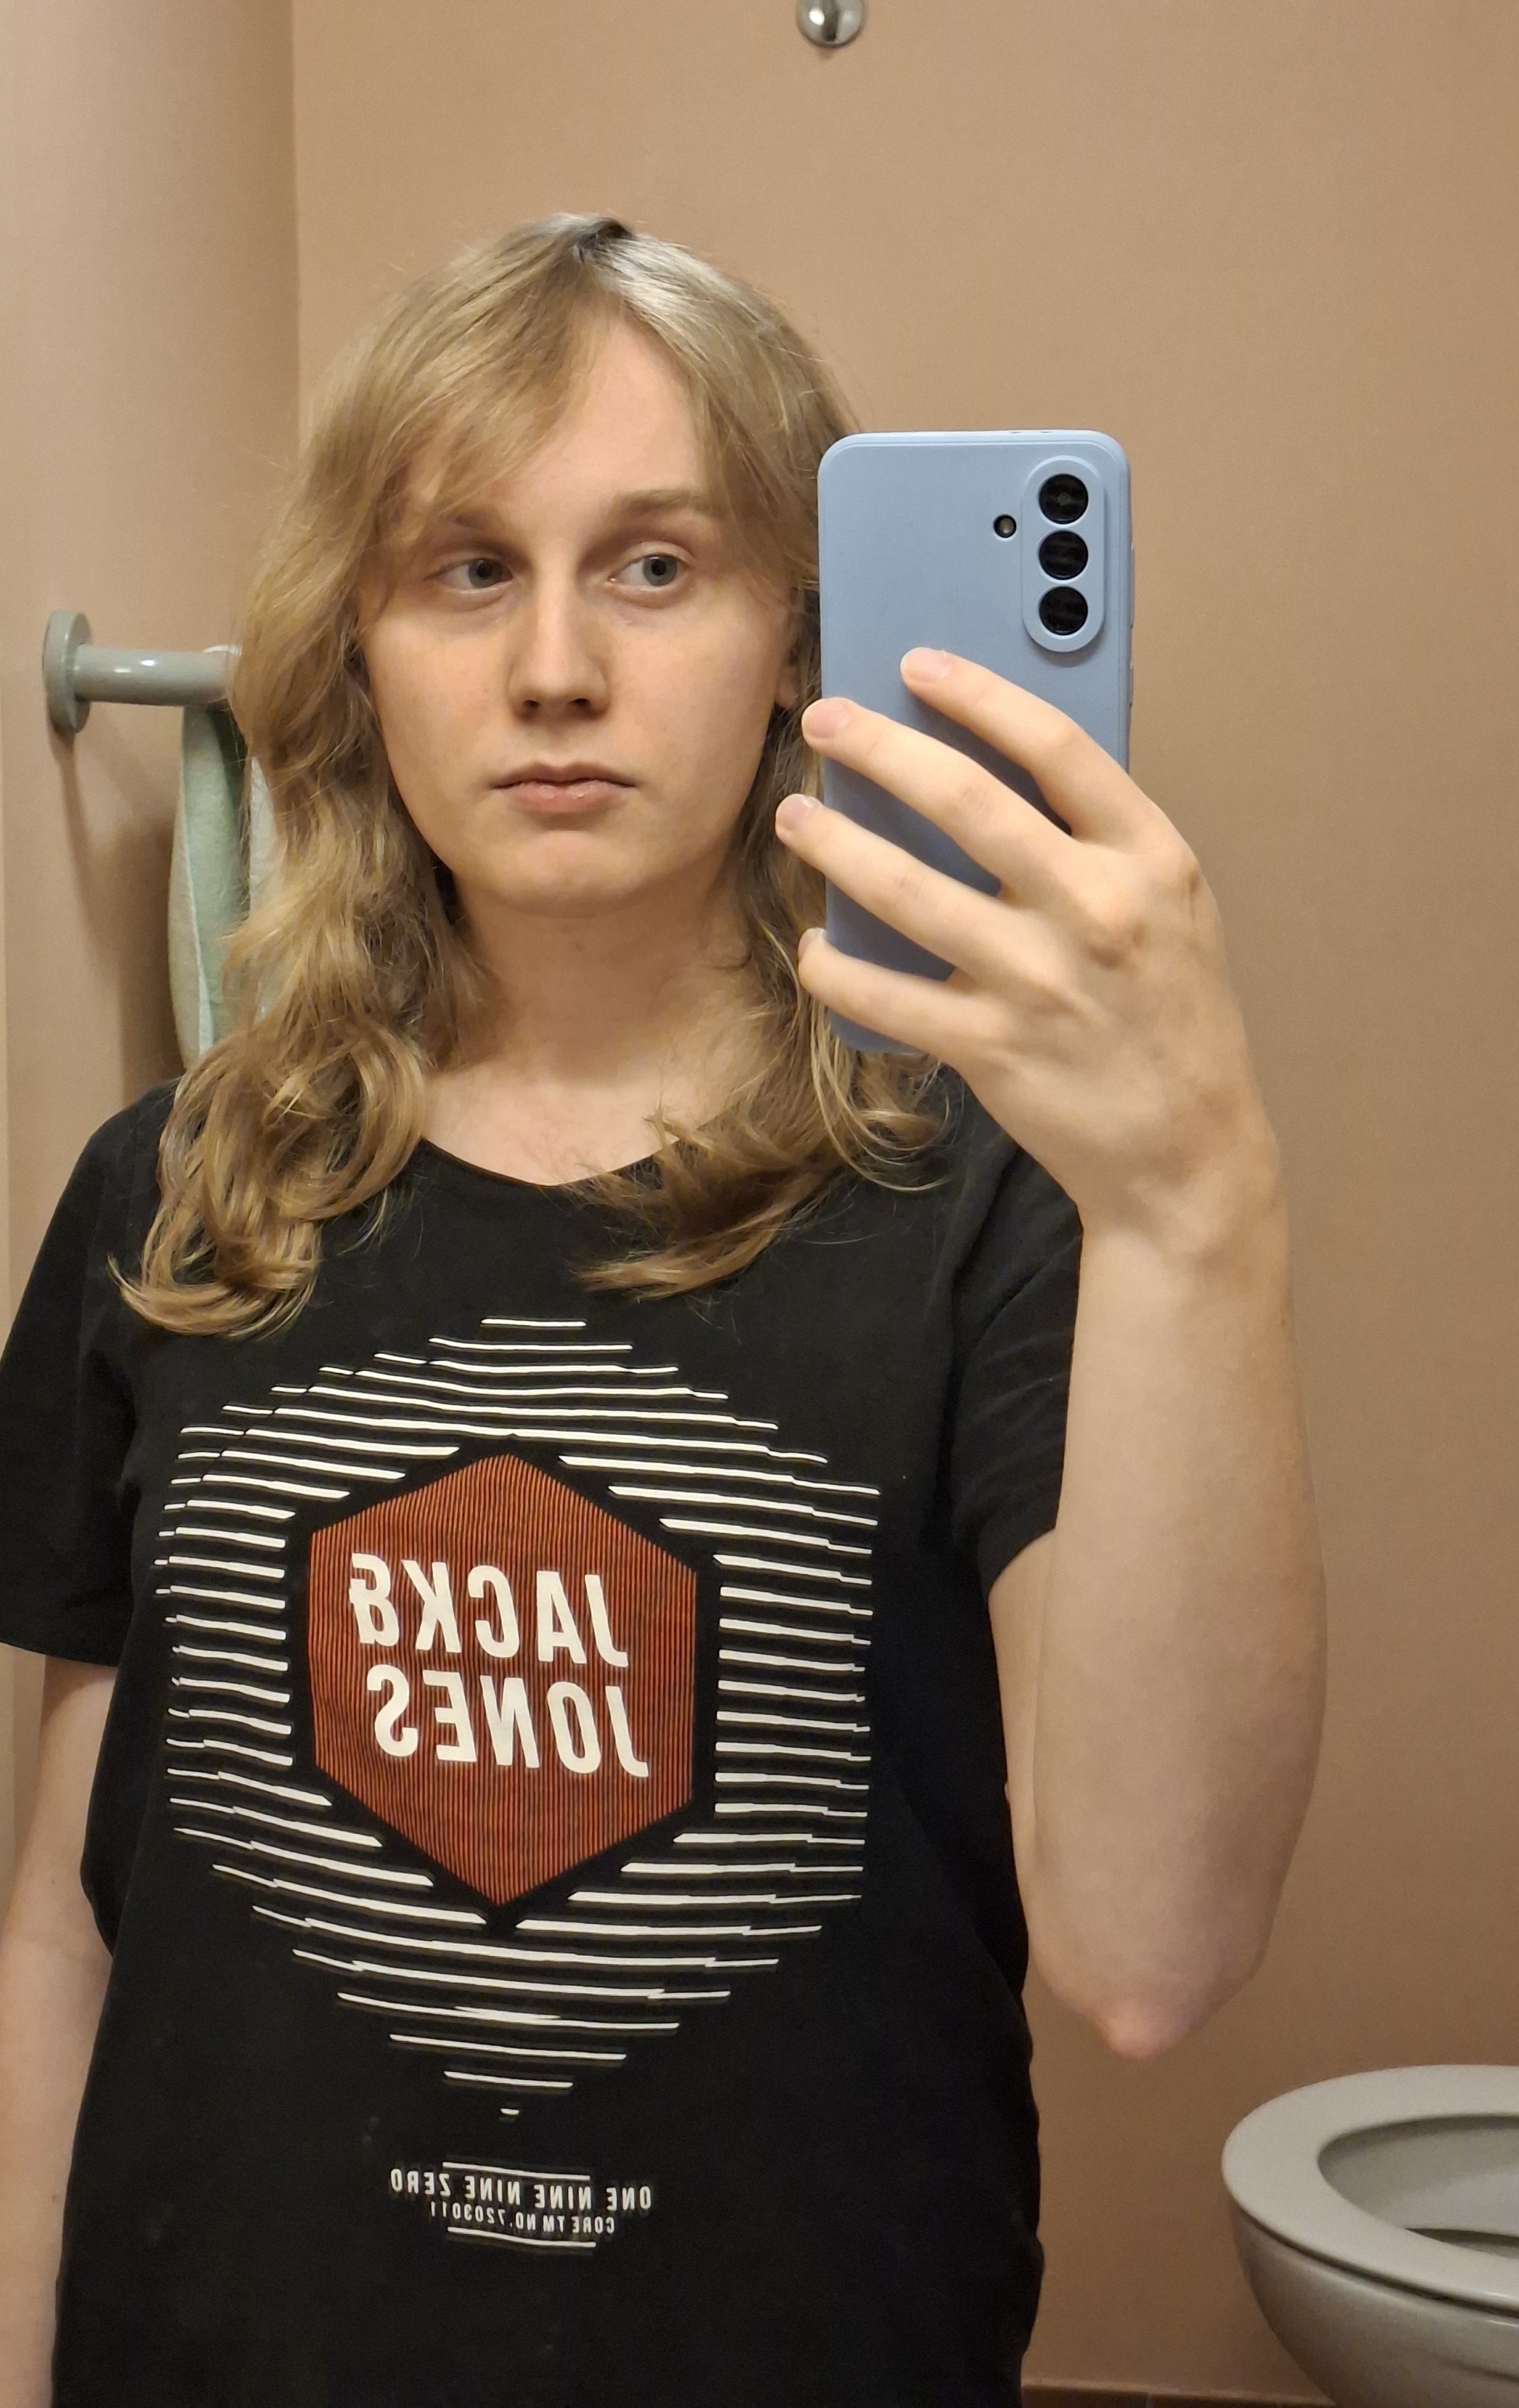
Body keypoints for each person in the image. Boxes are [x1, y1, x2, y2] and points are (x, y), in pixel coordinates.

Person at [0, 213, 1325, 2407]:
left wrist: (1196, 1201)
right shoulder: (172, 1192)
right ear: (360, 646)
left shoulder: (994, 1203)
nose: (552, 669)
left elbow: (1148, 1948)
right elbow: (68, 1917)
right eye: (466, 569)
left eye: (652, 563)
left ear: (797, 633)